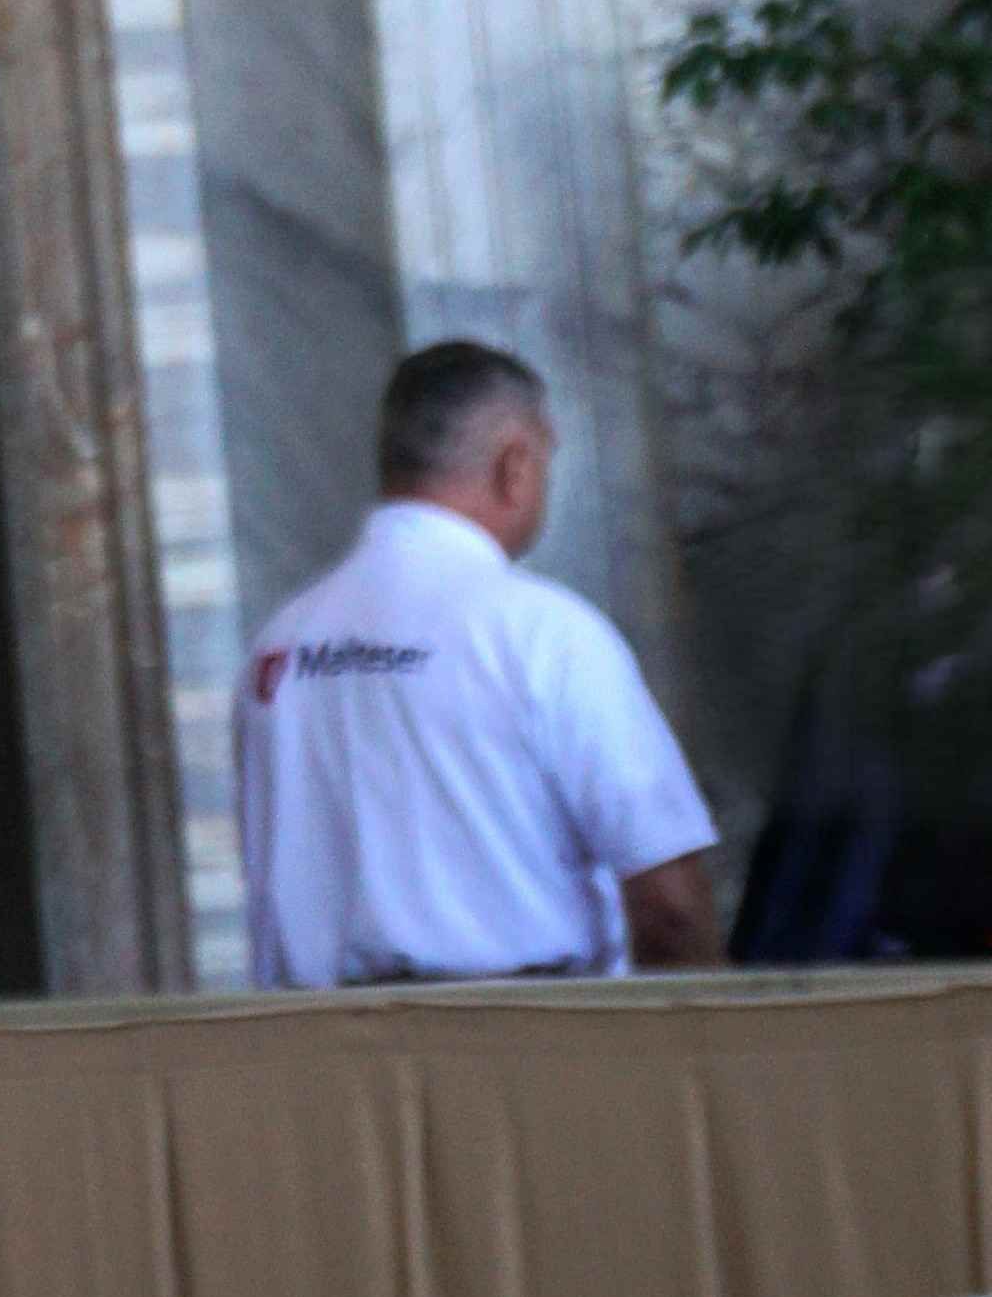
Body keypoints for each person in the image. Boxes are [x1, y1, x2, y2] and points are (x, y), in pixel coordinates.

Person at [236, 341, 724, 987]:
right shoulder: (543, 633)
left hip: (309, 1040)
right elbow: (671, 908)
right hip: (521, 1035)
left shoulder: (280, 646)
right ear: (514, 466)